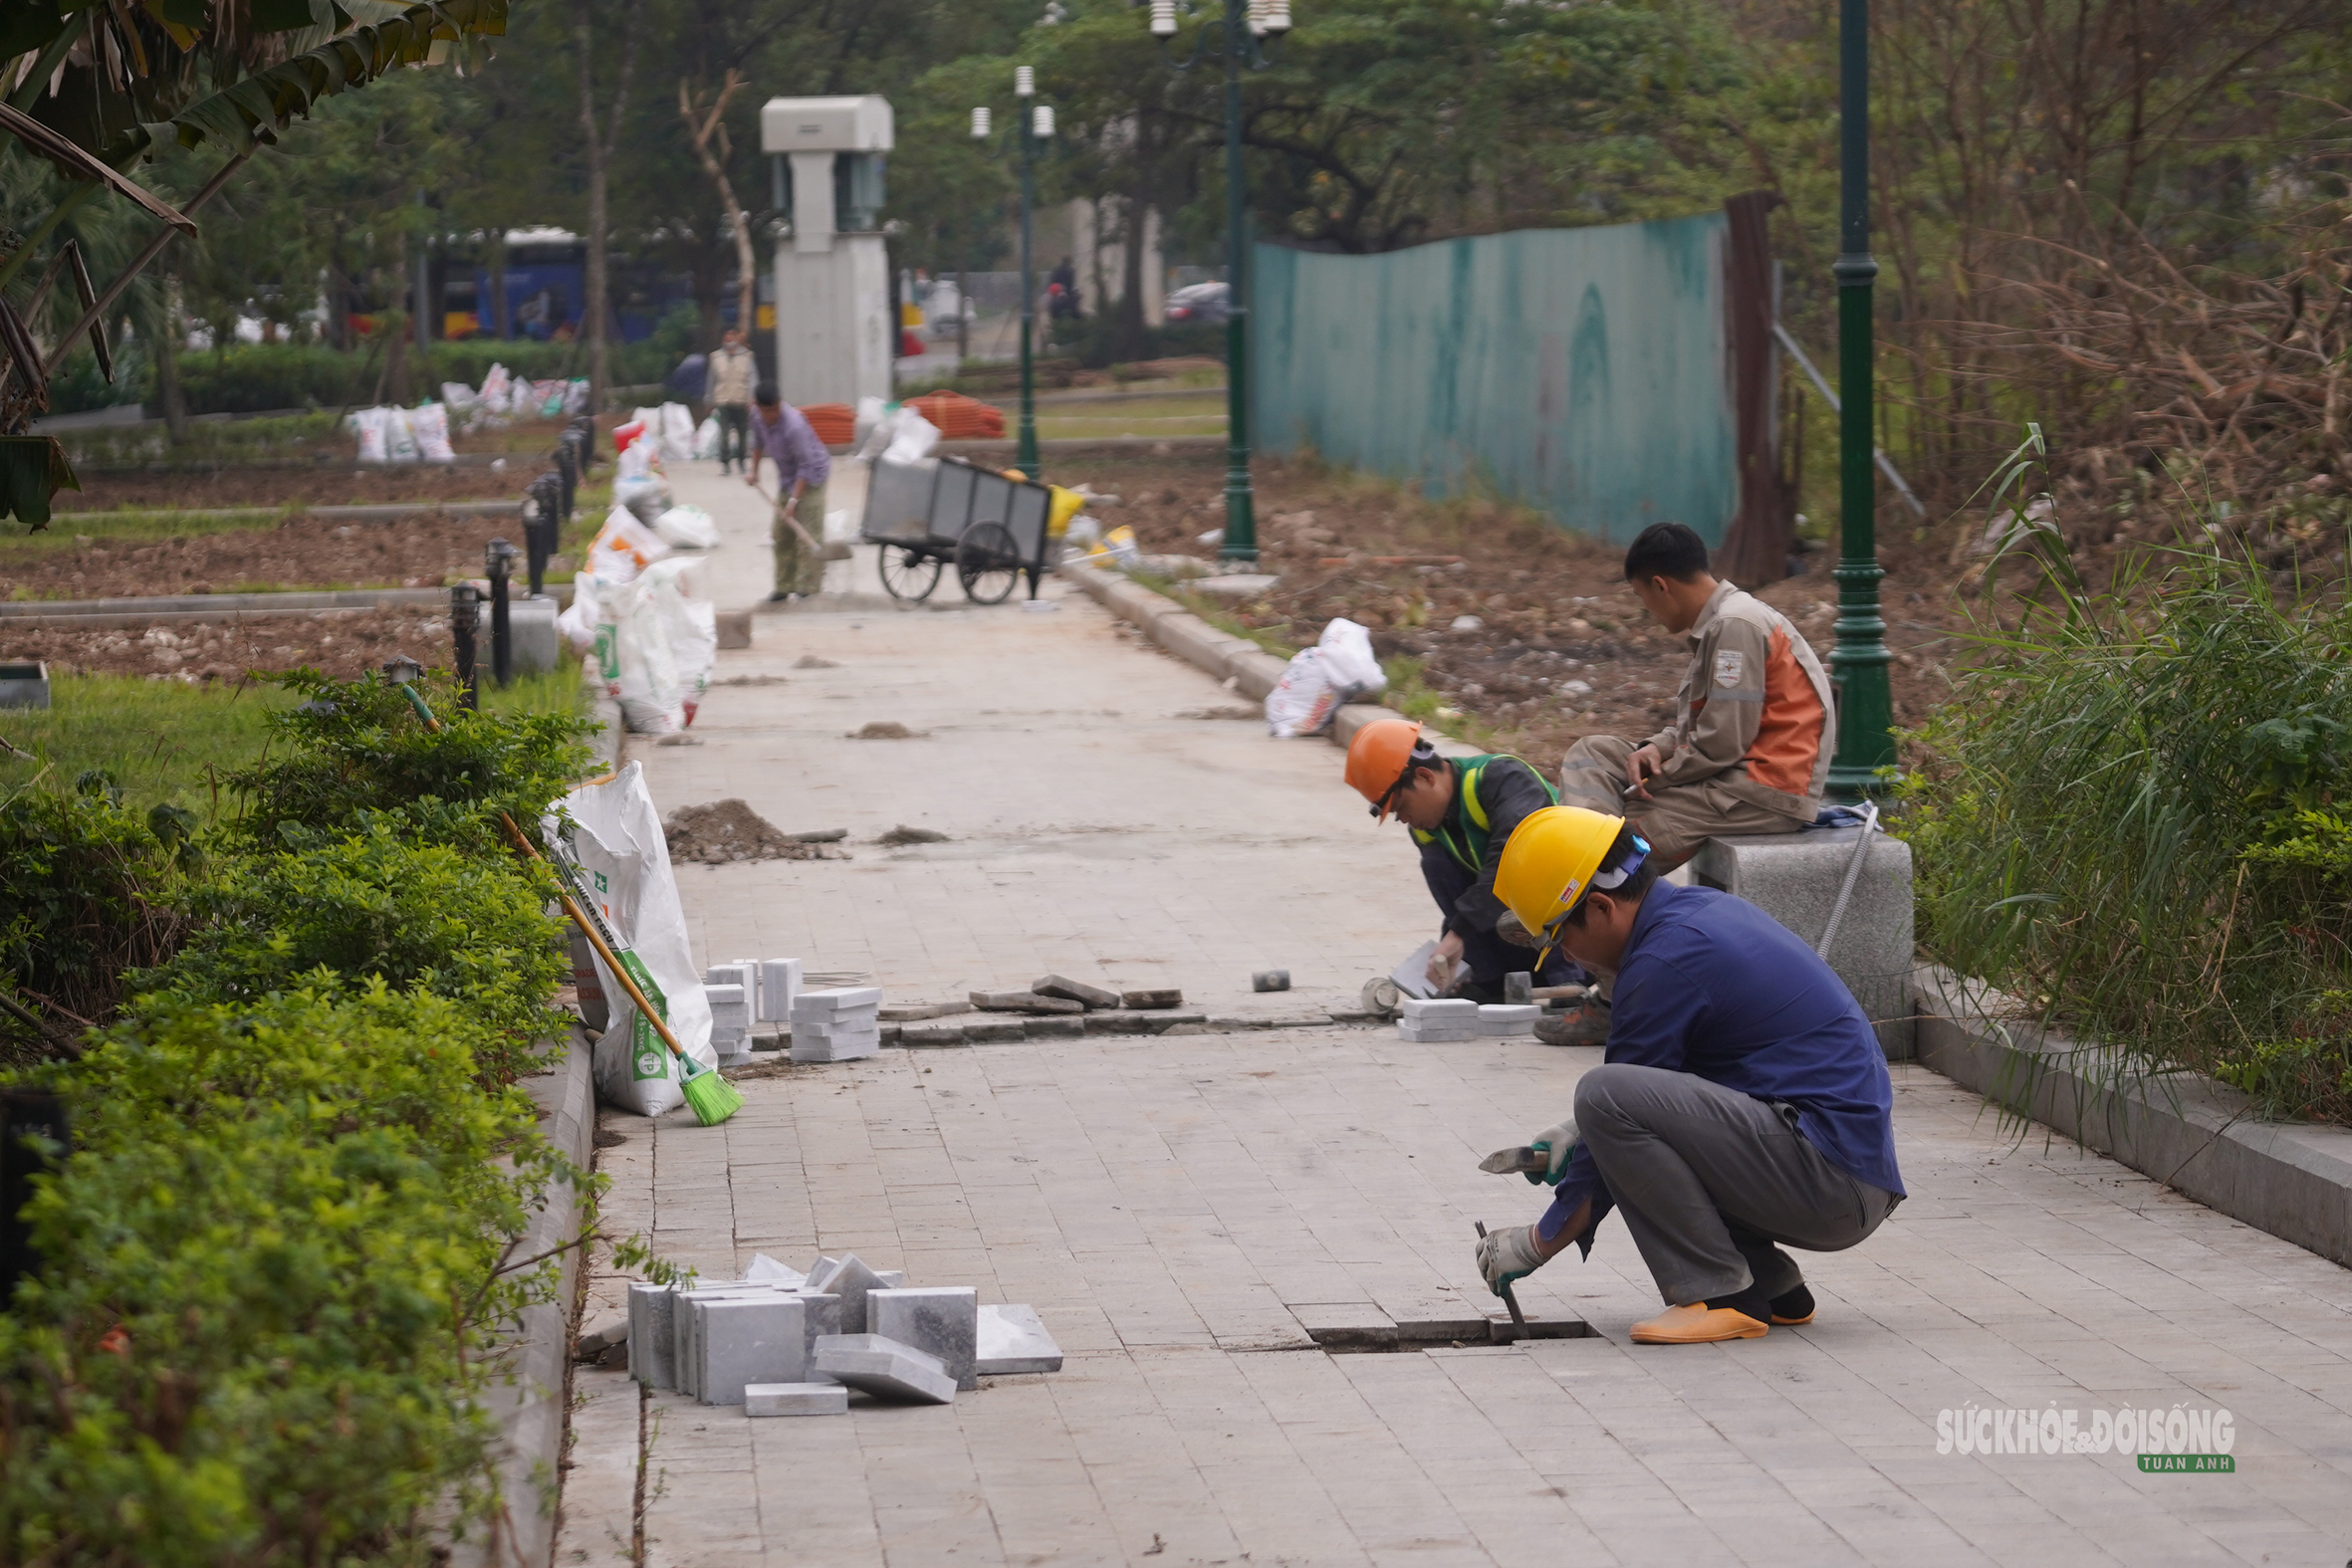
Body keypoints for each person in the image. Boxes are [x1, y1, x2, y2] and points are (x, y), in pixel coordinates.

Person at [1473, 805, 1904, 1344]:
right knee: (1608, 1108)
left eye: (1559, 938)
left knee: (1602, 1095)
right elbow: (1669, 1092)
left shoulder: (1661, 963)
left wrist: (1538, 1241)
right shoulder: (1696, 915)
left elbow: (1620, 1106)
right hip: (1844, 1174)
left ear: (1602, 906)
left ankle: (1721, 1294)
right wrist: (1582, 1133)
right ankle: (1773, 1288)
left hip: (1830, 1182)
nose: (1567, 957)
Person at [1557, 522, 1834, 869]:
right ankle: (1585, 854)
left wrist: (1657, 779)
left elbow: (1723, 742)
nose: (1649, 612)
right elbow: (1714, 725)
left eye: (1642, 598)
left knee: (1627, 837)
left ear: (1661, 586)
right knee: (1593, 753)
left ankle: (1584, 877)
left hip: (1758, 793)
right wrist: (1657, 747)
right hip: (1729, 774)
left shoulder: (1736, 625)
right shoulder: (1724, 623)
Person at [1343, 718, 1581, 1004]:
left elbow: (1514, 861)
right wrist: (1450, 952)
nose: (1403, 818)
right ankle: (1489, 981)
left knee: (1532, 865)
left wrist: (1458, 933)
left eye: (1401, 806)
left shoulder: (1503, 778)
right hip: (1524, 940)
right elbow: (1465, 899)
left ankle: (1569, 983)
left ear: (1425, 777)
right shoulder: (1426, 828)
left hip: (1582, 931)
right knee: (1436, 865)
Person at [747, 382, 831, 602]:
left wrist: (794, 502)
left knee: (807, 534)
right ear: (758, 407)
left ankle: (808, 588)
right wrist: (753, 472)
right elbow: (757, 444)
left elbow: (806, 465)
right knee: (781, 533)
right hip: (787, 478)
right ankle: (784, 586)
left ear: (779, 403)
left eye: (774, 409)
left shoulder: (794, 425)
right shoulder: (756, 417)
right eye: (766, 411)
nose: (771, 415)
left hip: (812, 477)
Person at [707, 327, 758, 474]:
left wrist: (752, 398)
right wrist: (708, 400)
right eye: (727, 336)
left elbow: (752, 379)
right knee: (723, 434)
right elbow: (711, 380)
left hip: (741, 400)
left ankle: (742, 461)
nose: (729, 339)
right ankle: (725, 463)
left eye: (732, 336)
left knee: (743, 433)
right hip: (723, 400)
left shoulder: (747, 356)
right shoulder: (716, 357)